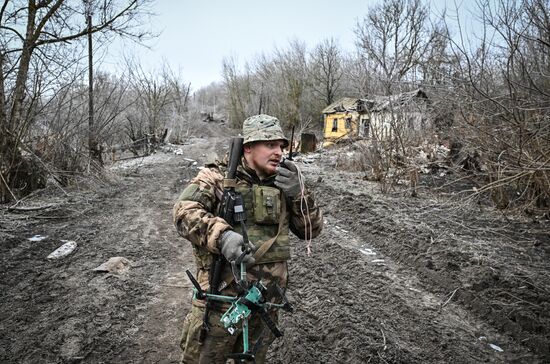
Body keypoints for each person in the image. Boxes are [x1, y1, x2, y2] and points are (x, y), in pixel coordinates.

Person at [173, 114, 323, 363]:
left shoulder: (286, 182)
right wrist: (222, 237)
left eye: (281, 146)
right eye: (270, 145)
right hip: (221, 301)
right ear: (248, 148)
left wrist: (300, 194)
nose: (278, 152)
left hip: (265, 302)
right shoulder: (219, 177)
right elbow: (183, 212)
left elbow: (312, 230)